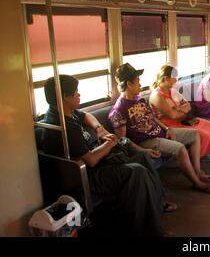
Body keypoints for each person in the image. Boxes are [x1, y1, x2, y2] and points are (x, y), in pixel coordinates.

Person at [41, 75, 169, 237]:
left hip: (102, 162)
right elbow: (91, 160)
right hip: (89, 175)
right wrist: (109, 143)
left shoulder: (66, 112)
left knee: (142, 157)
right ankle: (147, 230)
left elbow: (86, 115)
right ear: (65, 97)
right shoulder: (65, 128)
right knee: (137, 172)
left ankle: (157, 204)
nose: (79, 96)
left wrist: (99, 128)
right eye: (75, 93)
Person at [108, 63, 210, 194]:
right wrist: (142, 150)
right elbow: (122, 139)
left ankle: (197, 173)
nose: (140, 84)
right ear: (129, 84)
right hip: (147, 141)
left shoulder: (138, 100)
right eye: (137, 81)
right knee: (180, 149)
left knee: (195, 135)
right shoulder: (118, 111)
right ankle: (197, 183)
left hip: (160, 131)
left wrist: (167, 128)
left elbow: (152, 118)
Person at [149, 65, 210, 162]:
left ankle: (204, 153)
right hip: (169, 125)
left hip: (182, 120)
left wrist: (178, 108)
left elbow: (188, 106)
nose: (176, 80)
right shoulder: (157, 96)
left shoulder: (173, 91)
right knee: (203, 134)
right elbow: (172, 115)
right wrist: (182, 111)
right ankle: (200, 156)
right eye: (174, 78)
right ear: (166, 79)